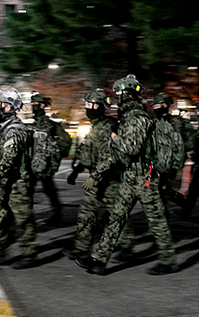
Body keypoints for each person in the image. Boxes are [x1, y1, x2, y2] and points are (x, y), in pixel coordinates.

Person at [74, 75, 179, 276]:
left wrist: (114, 136)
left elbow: (130, 147)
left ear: (128, 95)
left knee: (156, 220)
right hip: (131, 175)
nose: (117, 98)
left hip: (146, 176)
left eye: (119, 94)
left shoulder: (139, 118)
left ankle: (168, 260)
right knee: (116, 217)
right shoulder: (128, 118)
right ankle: (99, 260)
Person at [65, 88, 135, 260]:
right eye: (87, 104)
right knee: (86, 213)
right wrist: (76, 169)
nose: (88, 108)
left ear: (102, 107)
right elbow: (90, 153)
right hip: (96, 178)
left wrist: (95, 176)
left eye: (93, 105)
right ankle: (81, 247)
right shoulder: (95, 128)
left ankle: (126, 246)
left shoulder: (107, 128)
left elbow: (110, 155)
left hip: (111, 179)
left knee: (117, 214)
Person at [0, 89, 38, 268]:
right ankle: (0, 246)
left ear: (7, 106)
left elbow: (10, 158)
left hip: (17, 181)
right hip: (5, 180)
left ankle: (29, 253)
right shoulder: (5, 127)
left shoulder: (14, 130)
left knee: (22, 217)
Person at [29, 93, 72, 224]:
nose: (33, 107)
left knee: (42, 189)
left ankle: (56, 214)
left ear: (42, 105)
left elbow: (65, 141)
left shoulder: (50, 125)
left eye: (36, 104)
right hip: (34, 163)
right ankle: (55, 213)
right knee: (39, 189)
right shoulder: (34, 124)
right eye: (32, 104)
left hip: (43, 164)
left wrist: (55, 157)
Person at [150, 92, 194, 216]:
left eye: (158, 105)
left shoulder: (176, 123)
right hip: (156, 160)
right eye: (154, 106)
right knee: (163, 189)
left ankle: (163, 218)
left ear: (165, 106)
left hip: (170, 161)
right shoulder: (154, 123)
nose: (155, 108)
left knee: (161, 188)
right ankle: (182, 204)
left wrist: (186, 153)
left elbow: (185, 140)